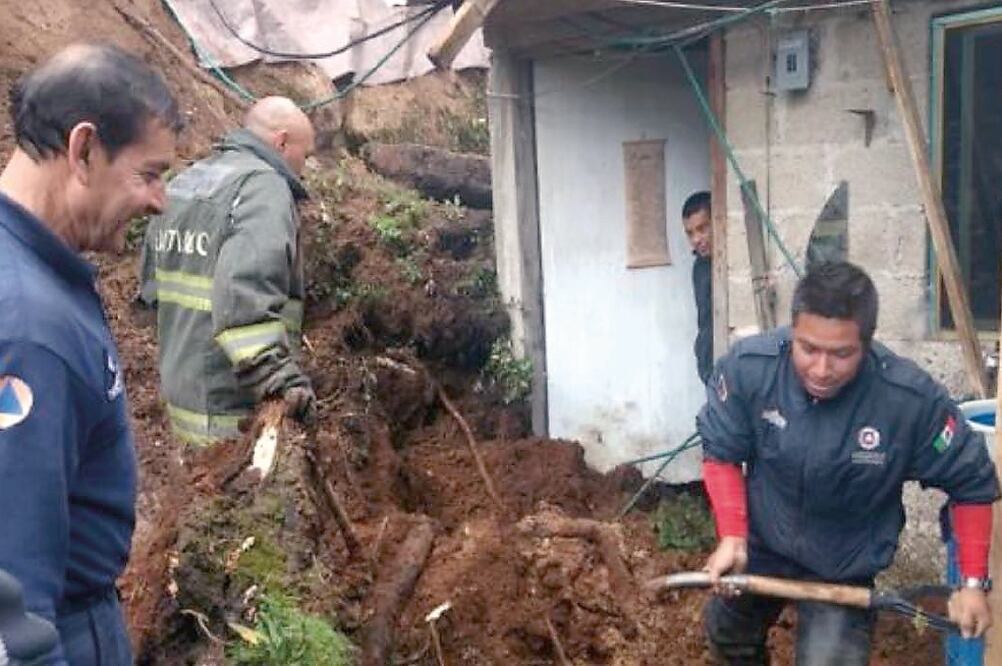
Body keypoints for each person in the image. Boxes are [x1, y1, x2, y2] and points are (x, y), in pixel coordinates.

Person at [698, 261, 1000, 665]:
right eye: (809, 349)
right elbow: (721, 452)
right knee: (726, 634)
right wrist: (732, 536)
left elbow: (972, 483)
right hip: (762, 546)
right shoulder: (752, 369)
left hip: (842, 564)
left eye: (841, 354)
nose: (821, 370)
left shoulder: (908, 402)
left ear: (867, 342)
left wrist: (973, 582)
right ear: (792, 333)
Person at [0, 43, 182, 664]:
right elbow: (13, 602)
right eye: (150, 174)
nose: (160, 201)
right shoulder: (28, 329)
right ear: (83, 150)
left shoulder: (34, 268)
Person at [139, 96, 316, 444]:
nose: (305, 168)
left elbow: (149, 292)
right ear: (282, 142)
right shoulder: (263, 189)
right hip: (231, 407)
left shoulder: (185, 182)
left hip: (182, 395)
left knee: (198, 490)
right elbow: (244, 298)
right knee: (238, 492)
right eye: (305, 155)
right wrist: (283, 381)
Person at [682, 191, 713, 384]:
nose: (696, 239)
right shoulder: (699, 268)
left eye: (702, 229)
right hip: (708, 365)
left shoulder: (731, 264)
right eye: (690, 233)